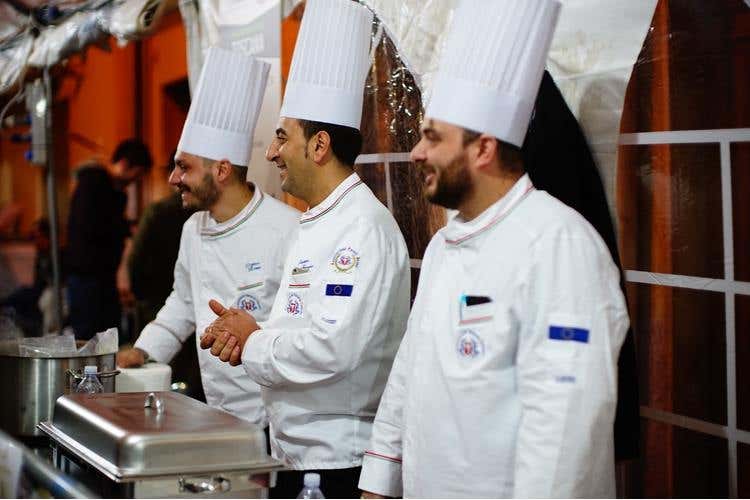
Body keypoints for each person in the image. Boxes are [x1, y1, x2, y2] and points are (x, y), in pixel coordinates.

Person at [358, 0, 629, 497]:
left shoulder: (560, 244)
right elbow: (409, 372)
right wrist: (377, 482)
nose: (416, 152)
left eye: (432, 138)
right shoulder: (442, 247)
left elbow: (564, 427)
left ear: (483, 148)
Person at [199, 1, 410, 497]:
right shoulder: (312, 222)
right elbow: (301, 326)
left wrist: (252, 340)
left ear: (319, 146)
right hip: (292, 453)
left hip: (339, 462)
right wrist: (248, 329)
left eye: (281, 137)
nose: (272, 152)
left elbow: (332, 347)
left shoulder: (363, 228)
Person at [116, 47, 299, 428]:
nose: (173, 179)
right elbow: (183, 303)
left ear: (222, 170)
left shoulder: (288, 229)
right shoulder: (193, 229)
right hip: (216, 410)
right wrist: (143, 350)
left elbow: (299, 331)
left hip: (275, 417)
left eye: (183, 167)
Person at [66, 139, 152, 340]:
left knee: (107, 337)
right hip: (88, 275)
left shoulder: (113, 190)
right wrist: (125, 230)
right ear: (125, 164)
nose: (135, 181)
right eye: (137, 174)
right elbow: (93, 227)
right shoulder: (94, 184)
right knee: (89, 338)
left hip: (101, 276)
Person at [127, 152, 195, 333]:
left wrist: (139, 295)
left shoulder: (157, 211)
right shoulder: (204, 211)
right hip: (194, 302)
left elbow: (136, 259)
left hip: (155, 299)